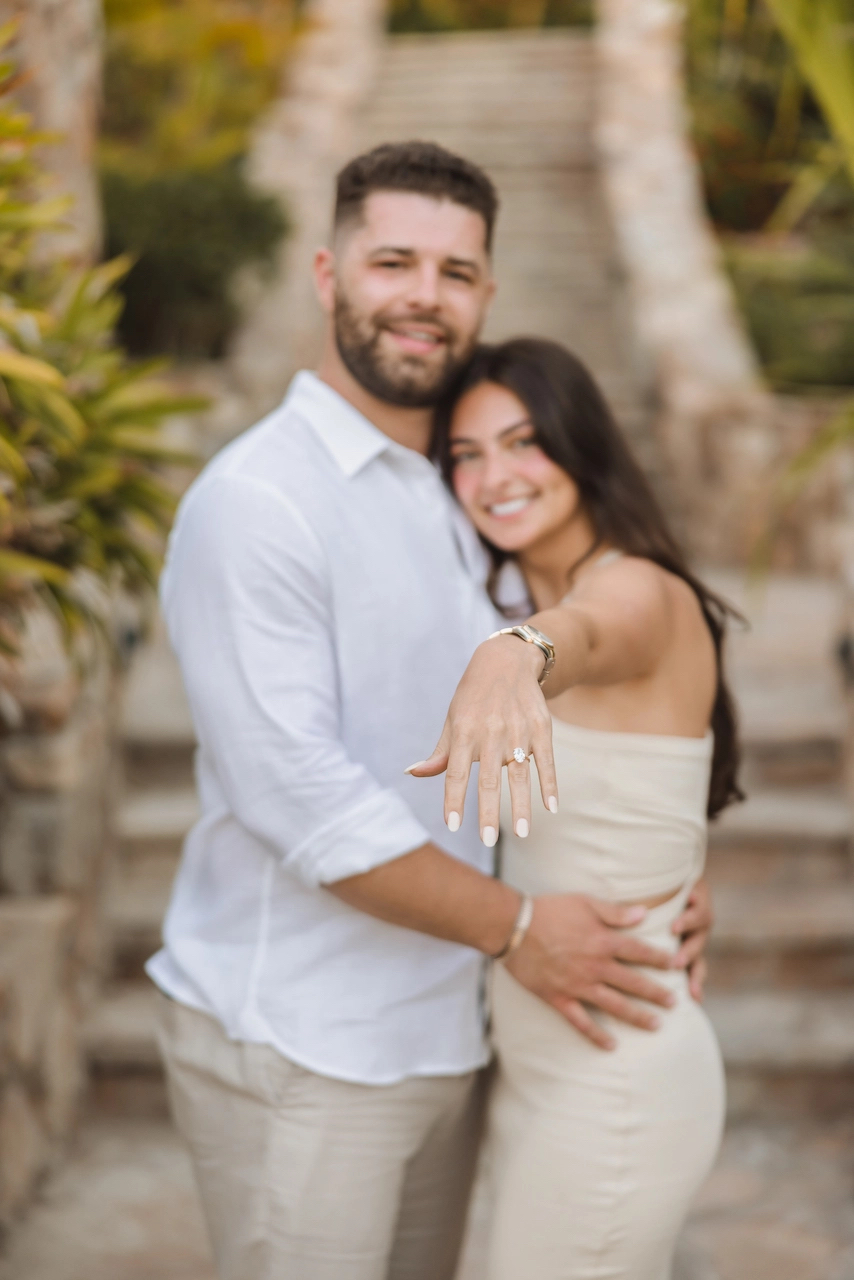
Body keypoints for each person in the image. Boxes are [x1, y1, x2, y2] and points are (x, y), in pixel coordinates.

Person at [146, 142, 713, 1280]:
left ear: (486, 294)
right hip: (305, 1043)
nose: (423, 295)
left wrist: (662, 872)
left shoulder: (464, 493)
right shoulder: (260, 502)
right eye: (392, 260)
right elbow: (298, 802)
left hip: (454, 1032)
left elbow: (613, 681)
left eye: (455, 272)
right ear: (327, 274)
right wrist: (517, 925)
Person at [415, 337, 739, 1278]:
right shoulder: (526, 584)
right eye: (466, 455)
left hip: (617, 1082)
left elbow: (592, 635)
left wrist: (514, 653)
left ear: (581, 443)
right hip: (549, 1070)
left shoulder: (639, 587)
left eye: (523, 443)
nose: (493, 476)